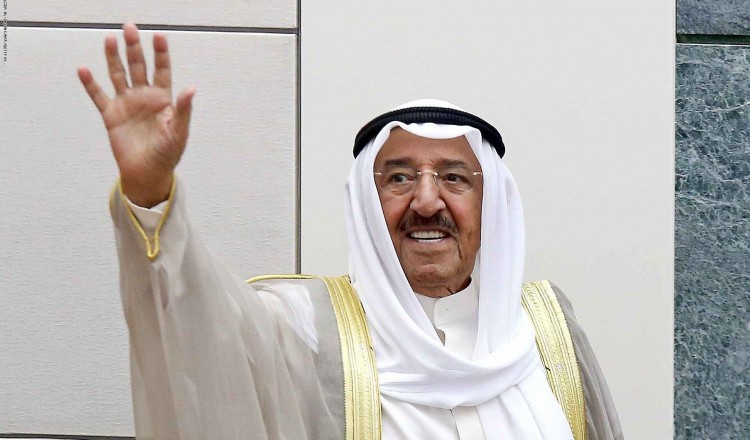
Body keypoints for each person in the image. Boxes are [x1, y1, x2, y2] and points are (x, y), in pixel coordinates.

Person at [78, 23, 623, 440]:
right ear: (367, 203)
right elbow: (196, 328)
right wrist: (150, 193)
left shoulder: (547, 331)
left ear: (492, 206)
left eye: (455, 178)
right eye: (400, 178)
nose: (426, 201)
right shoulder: (303, 328)